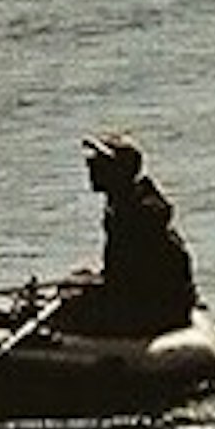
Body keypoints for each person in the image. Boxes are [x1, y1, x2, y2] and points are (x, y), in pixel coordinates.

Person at [56, 128, 197, 338]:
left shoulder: (136, 216)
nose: (90, 166)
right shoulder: (124, 204)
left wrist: (89, 290)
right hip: (149, 298)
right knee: (77, 284)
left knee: (68, 311)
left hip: (155, 309)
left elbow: (131, 282)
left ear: (116, 171)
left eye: (98, 162)